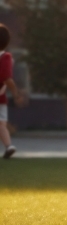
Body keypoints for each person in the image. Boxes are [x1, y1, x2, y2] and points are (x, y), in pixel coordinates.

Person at [0, 24, 23, 159]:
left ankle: (9, 147)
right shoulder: (5, 58)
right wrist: (16, 93)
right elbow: (7, 78)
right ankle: (8, 146)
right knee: (1, 124)